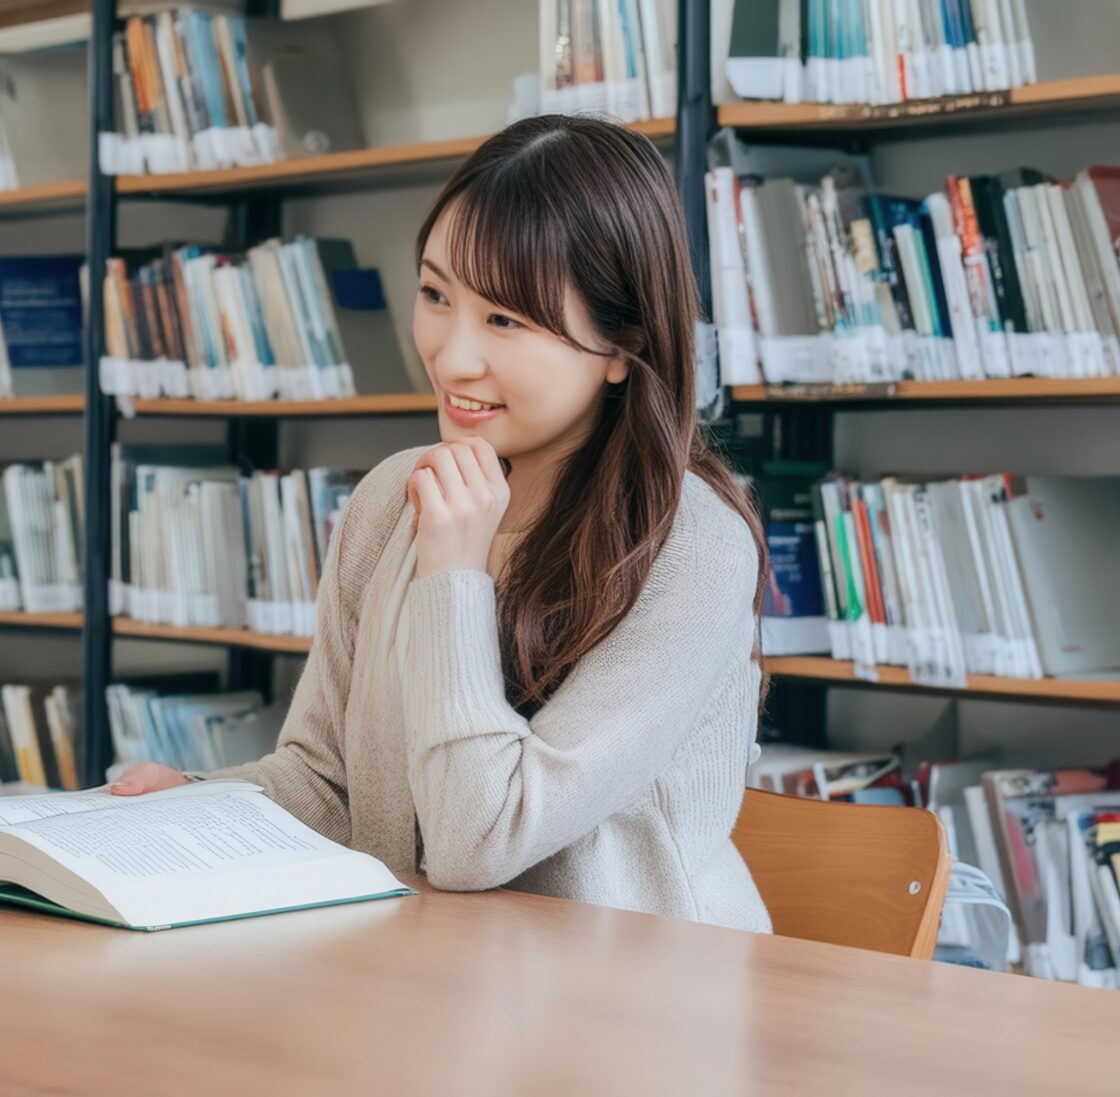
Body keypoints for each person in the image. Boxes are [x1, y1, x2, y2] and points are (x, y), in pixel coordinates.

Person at [110, 114, 771, 932]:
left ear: (618, 345)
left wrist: (454, 575)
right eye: (435, 296)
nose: (452, 356)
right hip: (422, 972)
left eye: (505, 320)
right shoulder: (394, 495)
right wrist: (197, 803)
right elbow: (328, 780)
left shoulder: (691, 545)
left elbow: (478, 840)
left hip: (629, 1010)